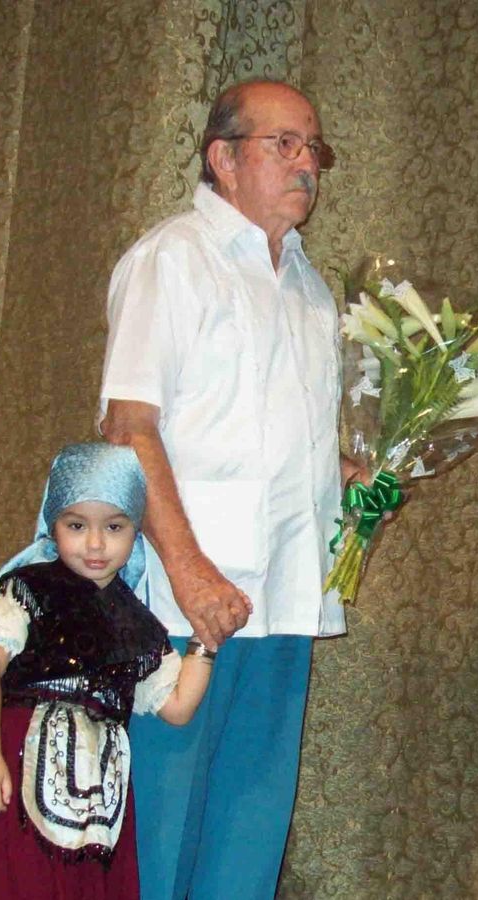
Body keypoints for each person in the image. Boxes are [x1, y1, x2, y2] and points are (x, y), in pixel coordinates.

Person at [97, 79, 358, 900]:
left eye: (313, 148)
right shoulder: (173, 260)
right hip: (183, 610)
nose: (306, 164)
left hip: (284, 601)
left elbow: (281, 439)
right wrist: (190, 572)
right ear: (223, 157)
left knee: (247, 838)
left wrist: (351, 480)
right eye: (285, 144)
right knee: (157, 837)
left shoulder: (311, 288)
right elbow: (128, 427)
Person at [0, 442, 214, 900]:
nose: (96, 544)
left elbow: (176, 707)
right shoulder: (28, 588)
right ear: (53, 524)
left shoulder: (138, 623)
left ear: (135, 529)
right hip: (17, 766)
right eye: (77, 525)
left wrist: (206, 641)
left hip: (98, 792)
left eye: (114, 527)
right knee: (10, 881)